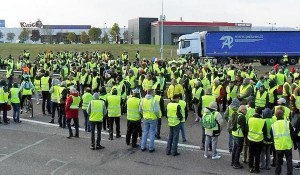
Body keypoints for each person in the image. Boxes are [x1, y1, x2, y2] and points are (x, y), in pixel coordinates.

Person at [271, 110, 296, 175]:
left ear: (275, 116)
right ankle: (289, 173)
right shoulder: (287, 123)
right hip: (287, 145)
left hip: (278, 146)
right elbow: (292, 134)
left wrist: (273, 145)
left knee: (278, 162)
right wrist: (295, 144)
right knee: (289, 161)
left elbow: (272, 137)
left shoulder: (273, 125)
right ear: (282, 115)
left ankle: (277, 173)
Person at [247, 108, 267, 173]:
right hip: (259, 140)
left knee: (251, 154)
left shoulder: (250, 119)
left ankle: (250, 167)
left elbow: (247, 129)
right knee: (258, 155)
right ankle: (257, 169)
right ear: (261, 113)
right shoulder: (263, 121)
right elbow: (265, 132)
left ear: (255, 112)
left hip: (250, 139)